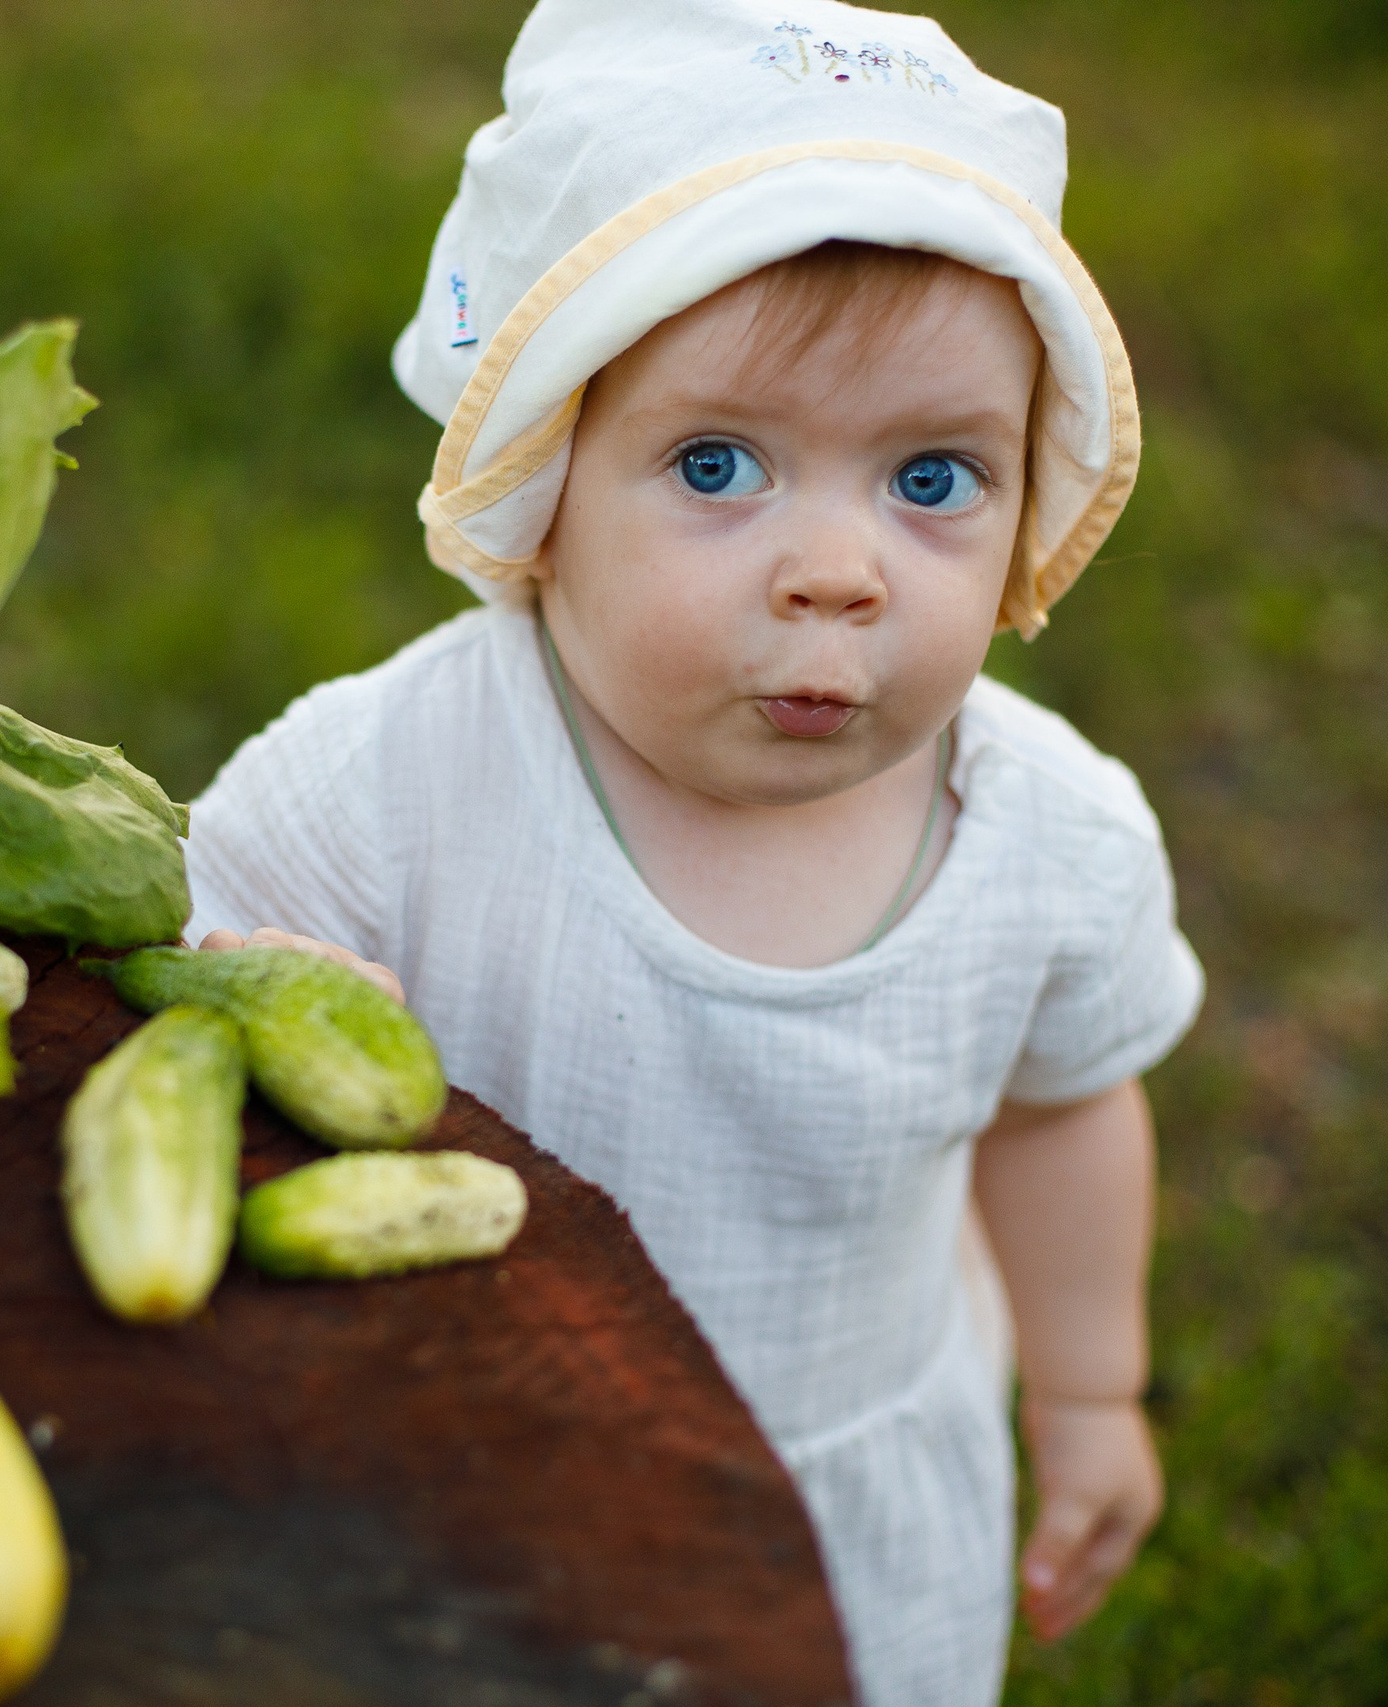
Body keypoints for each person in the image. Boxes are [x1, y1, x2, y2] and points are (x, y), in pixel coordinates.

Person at [182, 3, 1202, 1701]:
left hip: (845, 1490)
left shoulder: (1051, 843)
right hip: (461, 1469)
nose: (838, 568)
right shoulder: (384, 787)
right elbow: (199, 973)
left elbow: (1066, 1102)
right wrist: (253, 1005)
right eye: (719, 466)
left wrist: (1088, 1391)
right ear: (541, 485)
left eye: (934, 478)